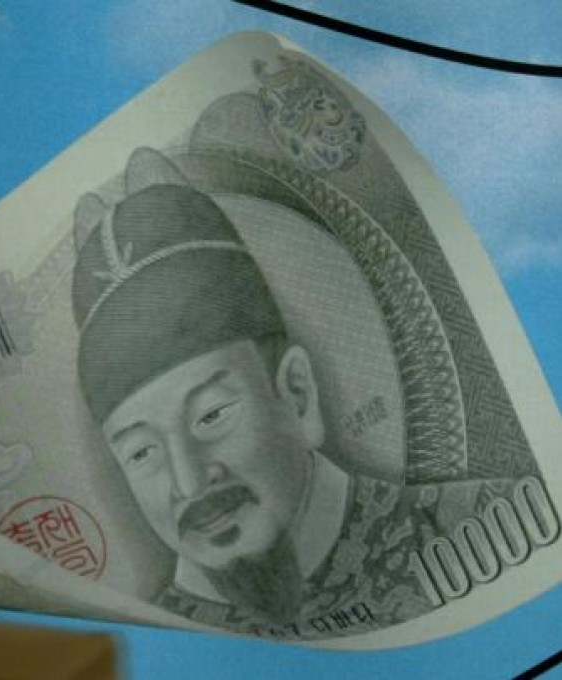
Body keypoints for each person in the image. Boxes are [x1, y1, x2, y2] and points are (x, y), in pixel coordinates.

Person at [70, 147, 523, 639]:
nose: (189, 482)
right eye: (140, 452)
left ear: (297, 394)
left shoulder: (496, 521)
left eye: (211, 416)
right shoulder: (151, 648)